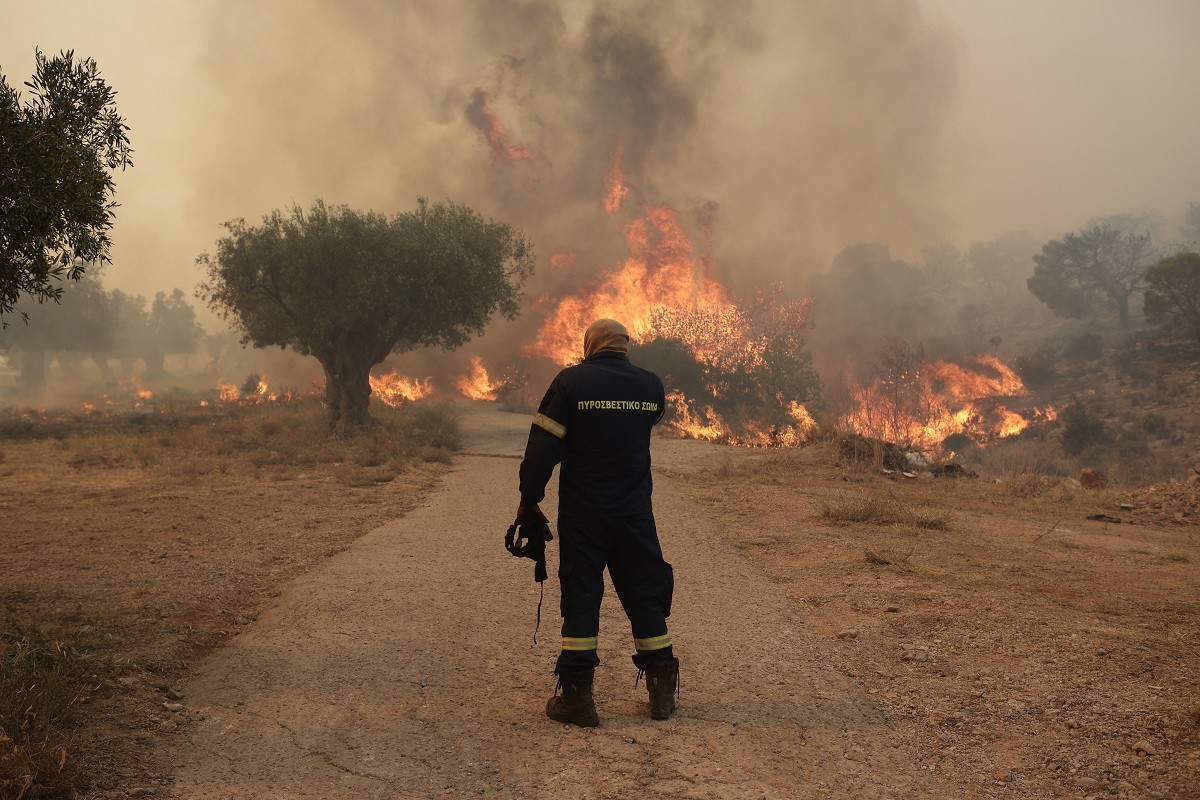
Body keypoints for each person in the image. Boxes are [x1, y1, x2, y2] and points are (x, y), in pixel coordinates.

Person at [515, 318, 678, 727]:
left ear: (590, 345)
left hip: (584, 515)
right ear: (625, 346)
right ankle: (662, 693)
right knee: (644, 592)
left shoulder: (571, 383)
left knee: (582, 596)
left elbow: (542, 448)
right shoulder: (650, 385)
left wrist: (529, 499)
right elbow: (646, 424)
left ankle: (577, 699)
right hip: (635, 513)